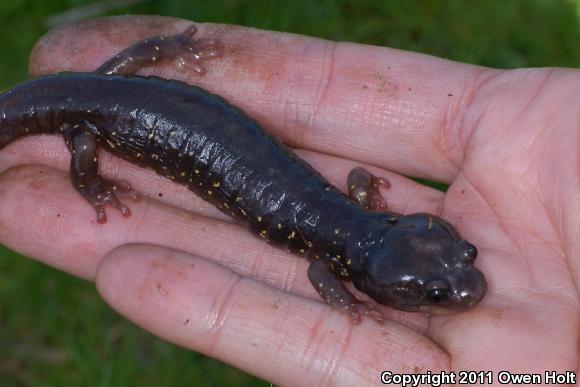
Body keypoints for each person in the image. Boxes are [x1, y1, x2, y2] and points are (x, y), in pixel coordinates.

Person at [1, 15, 578, 384]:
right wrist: (91, 181)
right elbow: (325, 269)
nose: (463, 288)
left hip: (114, 92)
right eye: (436, 289)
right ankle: (96, 155)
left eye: (448, 278)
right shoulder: (342, 253)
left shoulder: (351, 226)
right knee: (85, 138)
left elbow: (346, 207)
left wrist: (166, 50)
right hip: (98, 111)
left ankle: (152, 57)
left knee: (104, 102)